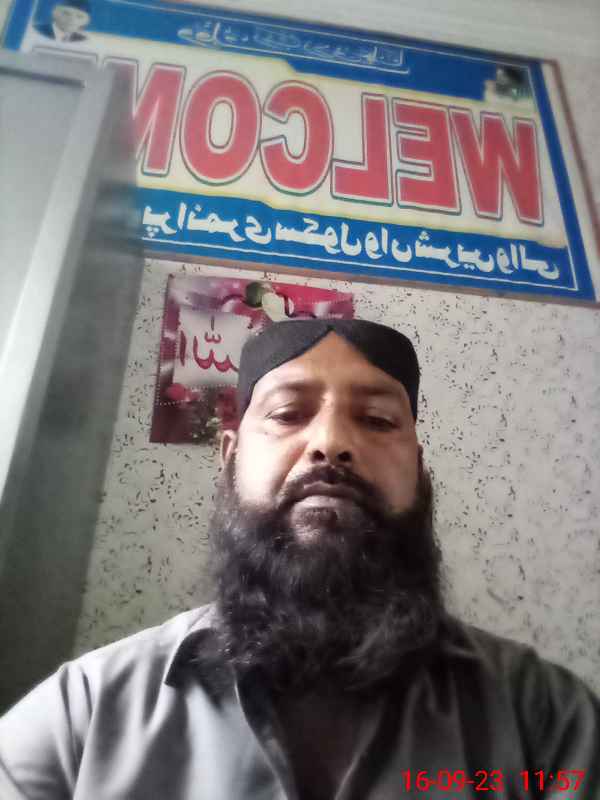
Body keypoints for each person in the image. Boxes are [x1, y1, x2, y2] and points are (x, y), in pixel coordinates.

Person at [0, 317, 598, 800]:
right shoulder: (83, 714)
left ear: (417, 469)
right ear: (230, 455)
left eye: (377, 420)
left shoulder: (544, 717)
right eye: (288, 414)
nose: (330, 443)